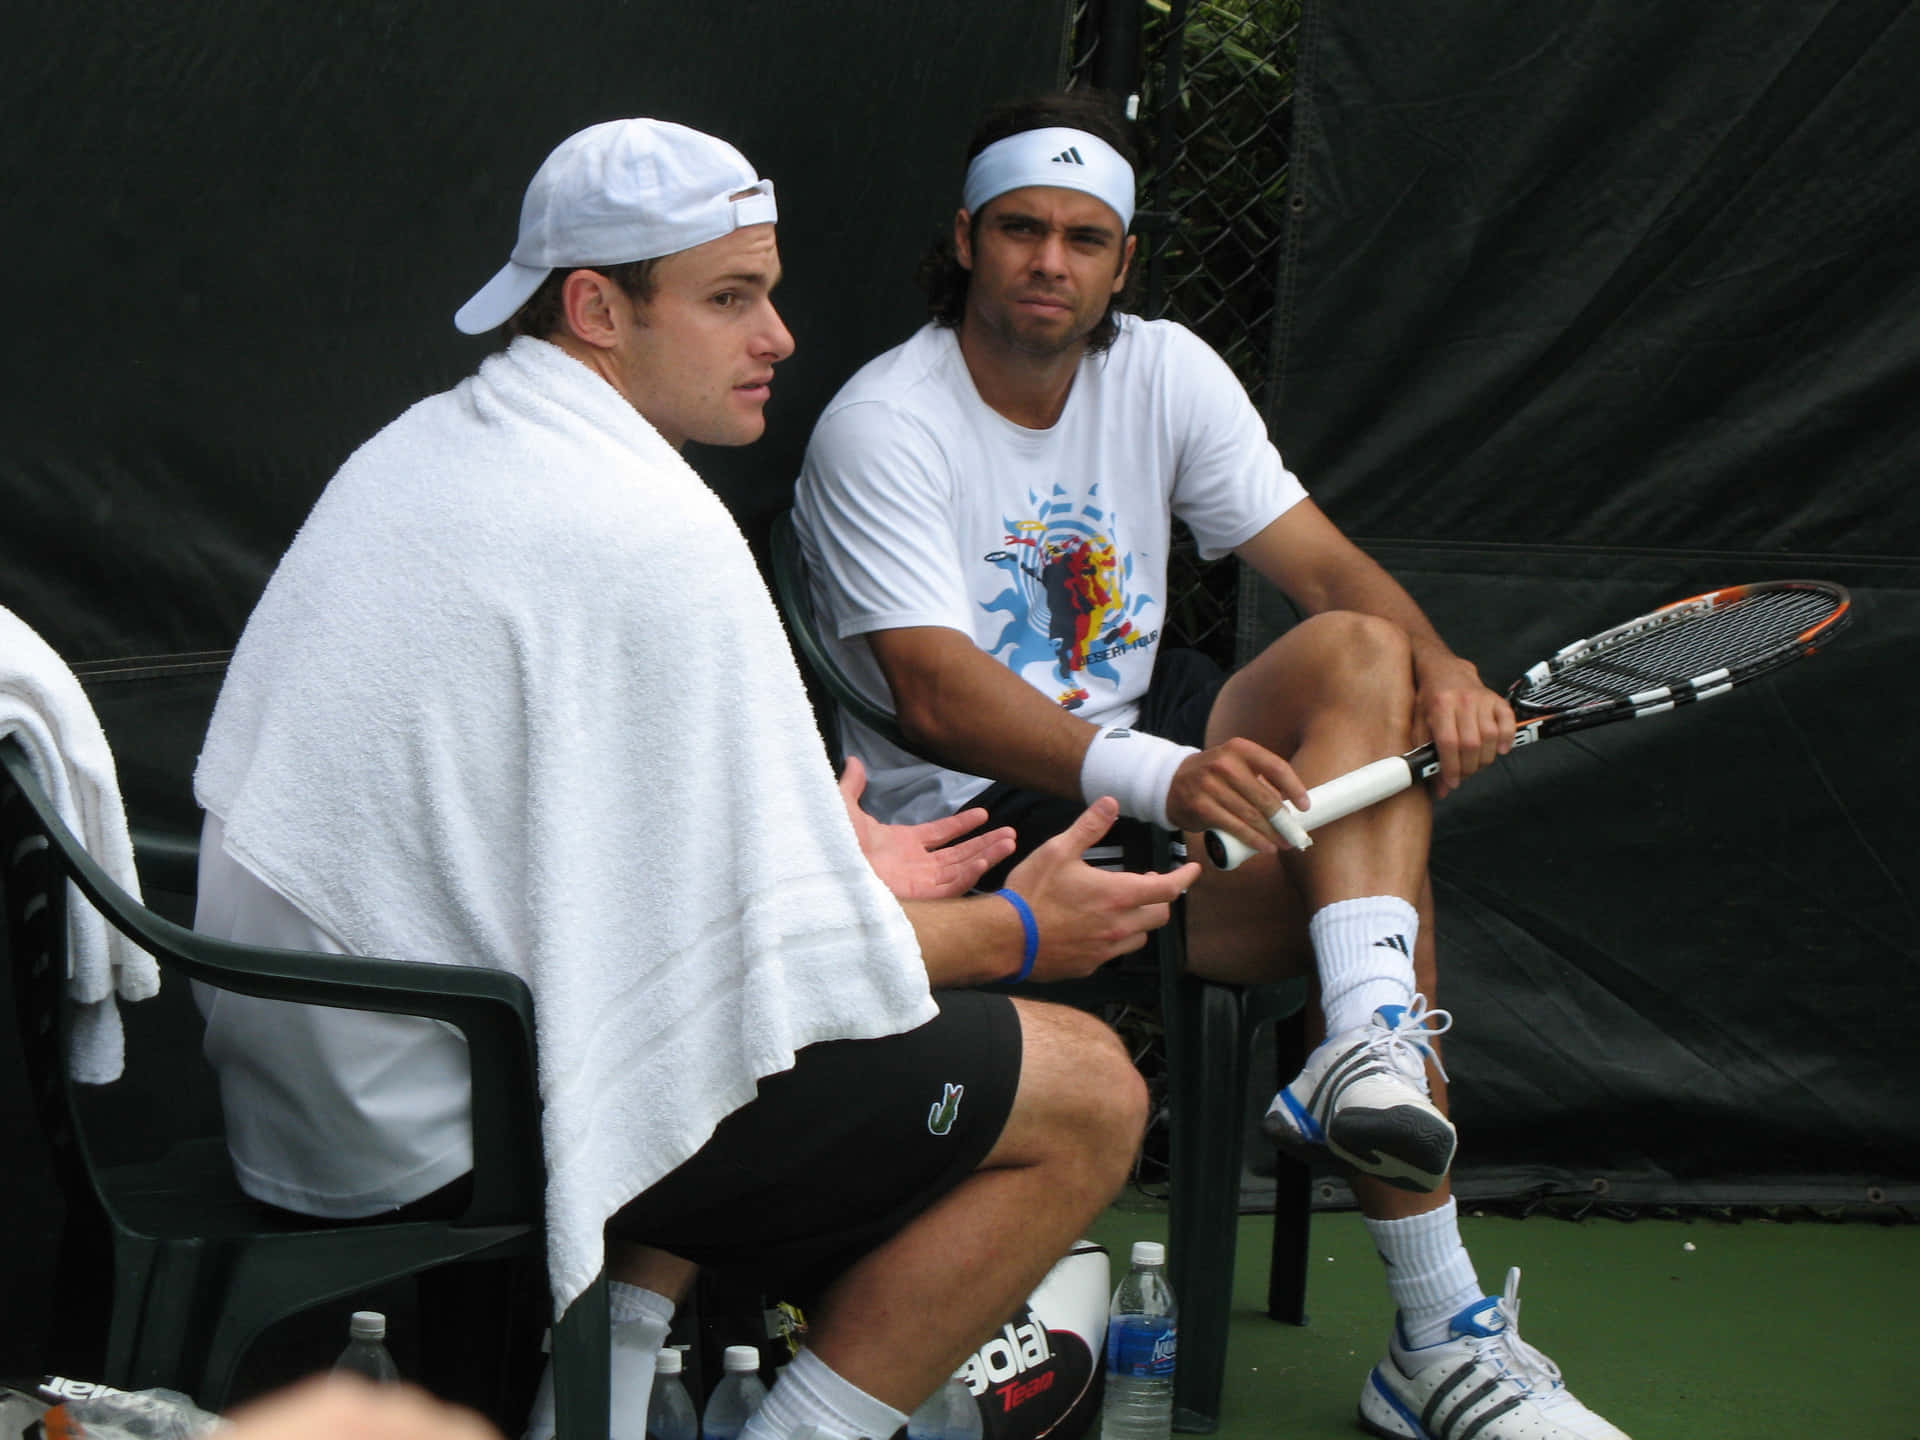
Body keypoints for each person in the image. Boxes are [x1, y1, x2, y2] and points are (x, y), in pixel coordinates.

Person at [191, 117, 1196, 1440]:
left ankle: (587, 1404)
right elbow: (749, 968)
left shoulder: (444, 443)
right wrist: (1019, 931)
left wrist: (819, 868)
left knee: (708, 1030)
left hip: (314, 1068)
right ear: (599, 308)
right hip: (435, 1113)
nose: (778, 335)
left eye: (766, 293)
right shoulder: (644, 525)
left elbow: (627, 887)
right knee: (1089, 1092)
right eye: (731, 299)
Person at [793, 92, 1629, 1440]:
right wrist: (1158, 779)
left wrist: (1446, 670)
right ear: (965, 240)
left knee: (1361, 649)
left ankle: (1361, 1047)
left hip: (1149, 750)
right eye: (1020, 230)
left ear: (1123, 261)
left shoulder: (1165, 368)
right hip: (989, 827)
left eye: (1082, 236)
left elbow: (1320, 565)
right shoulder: (883, 423)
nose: (1049, 261)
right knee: (1372, 876)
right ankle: (1439, 1330)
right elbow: (937, 698)